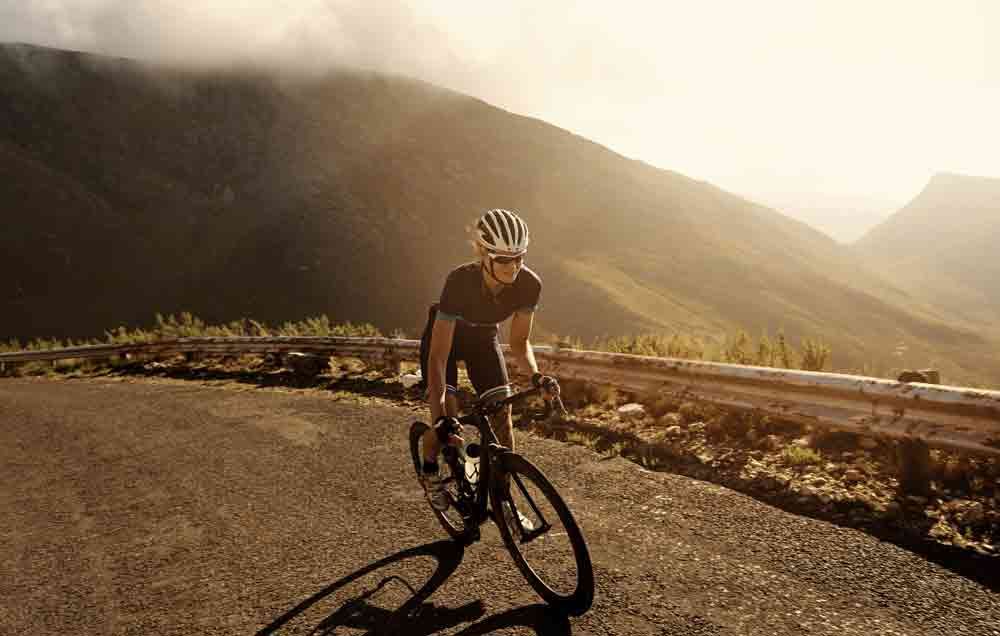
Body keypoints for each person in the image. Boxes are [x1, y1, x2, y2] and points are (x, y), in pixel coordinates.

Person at [418, 208, 560, 519]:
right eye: (503, 259)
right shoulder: (459, 282)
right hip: (446, 344)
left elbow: (520, 344)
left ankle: (503, 500)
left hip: (483, 341)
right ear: (484, 254)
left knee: (502, 418)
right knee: (446, 427)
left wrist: (536, 377)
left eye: (519, 257)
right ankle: (430, 472)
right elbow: (439, 355)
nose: (514, 267)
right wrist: (440, 408)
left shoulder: (529, 284)